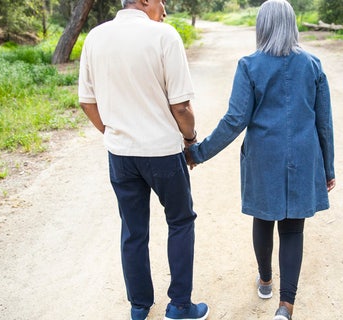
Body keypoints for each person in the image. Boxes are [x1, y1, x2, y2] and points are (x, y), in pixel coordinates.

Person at [186, 0, 335, 319]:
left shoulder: (249, 65)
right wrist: (329, 168)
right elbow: (324, 122)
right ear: (292, 25)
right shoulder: (313, 64)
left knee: (264, 219)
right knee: (294, 230)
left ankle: (266, 281)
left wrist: (198, 152)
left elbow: (234, 120)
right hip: (303, 156)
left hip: (263, 157)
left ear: (262, 27)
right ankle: (286, 307)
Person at [77, 0, 209, 319]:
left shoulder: (95, 36)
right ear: (147, 0)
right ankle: (179, 305)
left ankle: (139, 306)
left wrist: (113, 131)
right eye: (162, 1)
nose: (164, 9)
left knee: (133, 230)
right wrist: (190, 140)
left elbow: (86, 101)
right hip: (162, 152)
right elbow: (181, 108)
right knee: (179, 221)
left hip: (121, 155)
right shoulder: (164, 36)